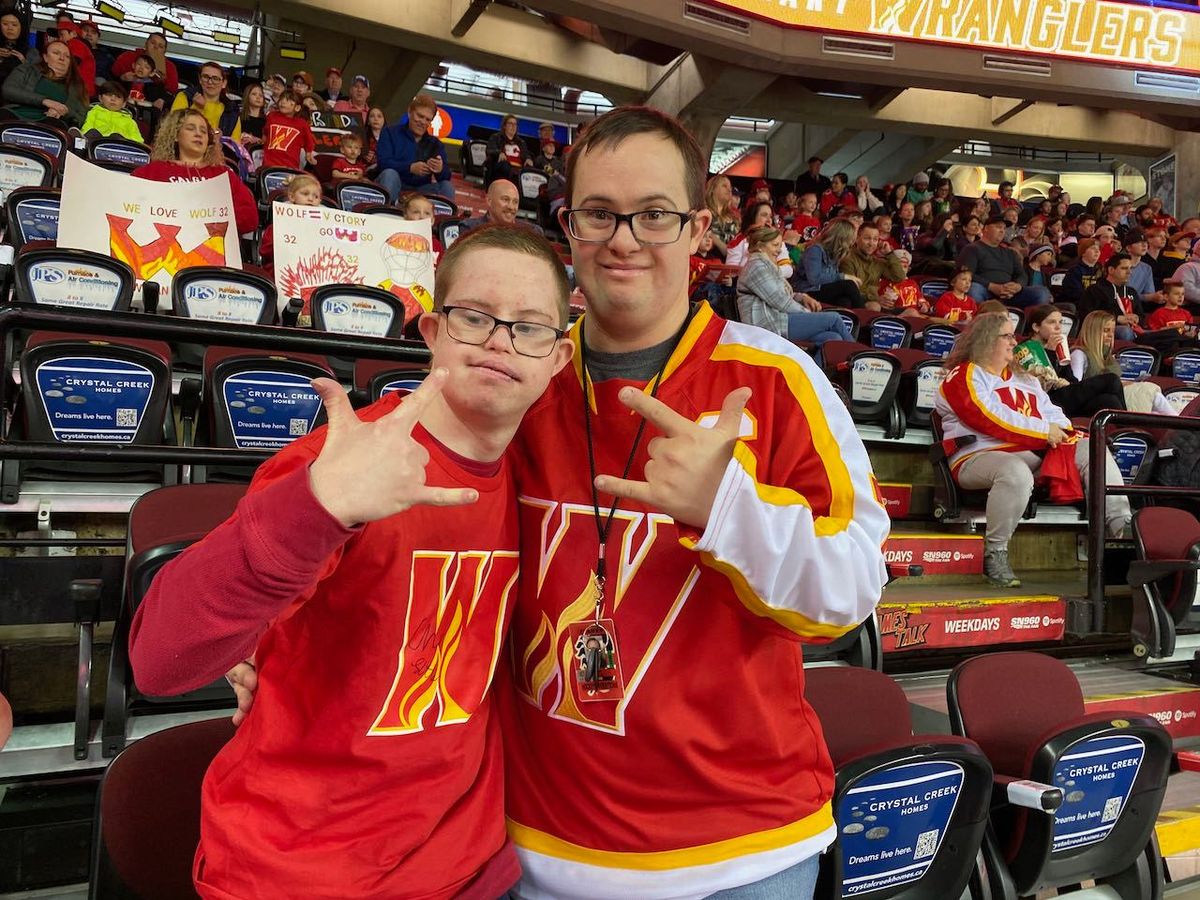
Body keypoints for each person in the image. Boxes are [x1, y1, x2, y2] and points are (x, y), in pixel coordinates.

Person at [226, 104, 890, 900]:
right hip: (533, 845)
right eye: (600, 214)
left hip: (741, 851)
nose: (624, 239)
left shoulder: (778, 383)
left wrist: (729, 510)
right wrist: (278, 642)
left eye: (654, 215)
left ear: (699, 230)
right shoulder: (518, 377)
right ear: (569, 225)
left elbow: (849, 595)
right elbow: (402, 535)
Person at [129, 227, 575, 900]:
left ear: (559, 359)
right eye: (475, 317)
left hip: (472, 868)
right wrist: (318, 508)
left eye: (530, 327)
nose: (500, 341)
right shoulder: (337, 467)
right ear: (432, 330)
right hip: (297, 872)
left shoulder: (541, 479)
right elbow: (161, 662)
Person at [936, 312, 1131, 588]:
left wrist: (1062, 431)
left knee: (1092, 448)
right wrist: (1042, 432)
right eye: (1006, 335)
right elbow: (987, 416)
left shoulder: (1024, 378)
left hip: (1032, 453)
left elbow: (1052, 411)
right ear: (986, 339)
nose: (1013, 341)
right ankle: (995, 553)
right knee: (1015, 472)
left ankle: (1123, 533)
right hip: (976, 456)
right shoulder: (965, 373)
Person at [133, 108, 257, 236]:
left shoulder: (223, 175)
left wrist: (210, 224)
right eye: (190, 128)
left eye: (204, 131)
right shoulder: (154, 171)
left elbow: (249, 217)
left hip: (212, 247)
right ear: (175, 135)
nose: (198, 134)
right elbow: (130, 205)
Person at [735, 224, 852, 358]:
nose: (779, 251)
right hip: (768, 325)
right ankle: (859, 357)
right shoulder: (756, 266)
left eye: (780, 246)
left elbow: (782, 294)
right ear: (760, 245)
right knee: (833, 319)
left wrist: (802, 297)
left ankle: (812, 377)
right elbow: (781, 301)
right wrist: (809, 315)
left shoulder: (767, 265)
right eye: (775, 245)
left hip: (779, 319)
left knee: (832, 337)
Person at [1014, 305, 1125, 418]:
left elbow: (1072, 380)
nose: (1058, 327)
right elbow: (1041, 385)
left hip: (1066, 397)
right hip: (1048, 400)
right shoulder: (1024, 350)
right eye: (1052, 322)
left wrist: (1065, 370)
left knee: (1109, 401)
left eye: (1060, 322)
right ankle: (1132, 421)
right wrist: (1050, 352)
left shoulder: (1059, 347)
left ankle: (1127, 431)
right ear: (1036, 327)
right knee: (1112, 379)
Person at [1072, 310, 1177, 415]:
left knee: (1156, 413)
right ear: (1092, 332)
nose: (1110, 335)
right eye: (1106, 330)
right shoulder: (1079, 354)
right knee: (1149, 390)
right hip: (1097, 401)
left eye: (1112, 331)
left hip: (1116, 395)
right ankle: (1182, 423)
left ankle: (1180, 423)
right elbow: (1076, 390)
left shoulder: (1107, 356)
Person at [375, 93, 454, 203]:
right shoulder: (389, 132)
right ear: (410, 112)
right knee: (390, 174)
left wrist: (440, 169)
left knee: (446, 186)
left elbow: (446, 176)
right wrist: (410, 168)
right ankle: (386, 212)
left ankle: (442, 219)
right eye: (420, 116)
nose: (423, 122)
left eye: (427, 119)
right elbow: (383, 163)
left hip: (420, 191)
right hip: (393, 183)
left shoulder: (435, 144)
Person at [957, 216, 1051, 308]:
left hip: (1009, 294)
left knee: (1042, 292)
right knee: (974, 288)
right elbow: (966, 274)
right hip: (985, 290)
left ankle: (1032, 323)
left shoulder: (1010, 252)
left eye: (1004, 228)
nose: (1002, 231)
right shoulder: (972, 248)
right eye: (998, 227)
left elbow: (1022, 274)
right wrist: (992, 286)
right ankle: (981, 320)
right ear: (985, 228)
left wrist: (1017, 286)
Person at [1, 39, 86, 125]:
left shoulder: (76, 86)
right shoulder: (27, 69)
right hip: (16, 117)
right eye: (56, 53)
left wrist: (64, 111)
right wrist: (44, 101)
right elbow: (8, 90)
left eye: (67, 56)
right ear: (45, 57)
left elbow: (81, 118)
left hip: (52, 126)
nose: (62, 58)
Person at [798, 217, 868, 308]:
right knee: (849, 285)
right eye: (851, 238)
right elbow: (814, 279)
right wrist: (843, 277)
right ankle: (864, 317)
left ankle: (851, 320)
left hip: (822, 289)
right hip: (807, 291)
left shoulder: (833, 253)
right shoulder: (815, 250)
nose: (852, 242)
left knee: (844, 301)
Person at [839, 220, 905, 310]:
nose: (871, 243)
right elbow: (850, 290)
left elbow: (899, 277)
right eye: (867, 238)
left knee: (912, 312)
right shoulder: (848, 259)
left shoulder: (877, 262)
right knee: (875, 307)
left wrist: (889, 254)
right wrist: (877, 299)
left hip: (878, 303)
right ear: (857, 238)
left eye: (875, 239)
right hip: (858, 303)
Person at [170, 60, 241, 139]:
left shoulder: (231, 110)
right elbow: (173, 126)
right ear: (200, 79)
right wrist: (197, 108)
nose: (210, 82)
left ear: (224, 83)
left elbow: (235, 144)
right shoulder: (185, 96)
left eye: (215, 78)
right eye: (206, 77)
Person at [1081, 253, 1143, 341]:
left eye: (1130, 268)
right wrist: (1117, 318)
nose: (1129, 272)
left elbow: (1142, 316)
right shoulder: (1095, 290)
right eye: (1124, 268)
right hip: (1106, 330)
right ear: (1111, 270)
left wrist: (1137, 318)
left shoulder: (1131, 291)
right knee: (1125, 331)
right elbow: (1089, 316)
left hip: (1135, 329)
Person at [725, 200, 791, 277]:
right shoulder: (739, 240)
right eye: (764, 215)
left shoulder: (777, 239)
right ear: (753, 217)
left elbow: (788, 270)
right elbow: (730, 272)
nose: (768, 220)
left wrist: (766, 274)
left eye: (770, 216)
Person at [459, 179, 543, 236]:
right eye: (505, 199)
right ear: (489, 200)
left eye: (515, 202)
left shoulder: (533, 232)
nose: (511, 207)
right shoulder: (470, 229)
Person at [261, 88, 314, 171]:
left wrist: (308, 154)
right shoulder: (271, 116)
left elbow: (309, 142)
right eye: (282, 98)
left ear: (297, 108)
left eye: (288, 100)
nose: (283, 102)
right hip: (268, 164)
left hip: (290, 167)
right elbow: (265, 134)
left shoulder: (302, 124)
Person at [112, 32, 178, 94]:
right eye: (153, 43)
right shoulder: (129, 56)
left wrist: (163, 80)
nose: (156, 47)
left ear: (164, 51)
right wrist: (122, 78)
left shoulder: (169, 67)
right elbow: (112, 74)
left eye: (160, 46)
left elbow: (173, 90)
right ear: (146, 44)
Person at [54, 15, 94, 98]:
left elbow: (72, 63)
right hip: (80, 90)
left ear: (73, 33)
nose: (60, 39)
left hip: (79, 91)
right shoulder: (79, 44)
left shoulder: (75, 43)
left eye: (62, 35)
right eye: (59, 35)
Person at [485, 113, 530, 186]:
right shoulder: (496, 137)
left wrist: (528, 159)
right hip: (503, 166)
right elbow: (490, 149)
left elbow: (526, 154)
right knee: (505, 166)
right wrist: (499, 153)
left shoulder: (521, 142)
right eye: (510, 124)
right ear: (504, 126)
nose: (513, 126)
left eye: (515, 124)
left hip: (518, 168)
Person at [1122, 229, 1164, 305]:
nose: (1144, 245)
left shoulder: (1147, 268)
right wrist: (1149, 297)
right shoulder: (1120, 266)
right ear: (1128, 248)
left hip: (1137, 306)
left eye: (1145, 242)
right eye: (1138, 242)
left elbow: (1150, 293)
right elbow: (1121, 294)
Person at [704, 174, 738, 258]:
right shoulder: (704, 213)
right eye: (724, 186)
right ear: (712, 189)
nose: (729, 189)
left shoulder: (734, 217)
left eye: (730, 187)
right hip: (710, 260)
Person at [1061, 238, 1102, 304]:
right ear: (1083, 253)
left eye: (1099, 249)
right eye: (1093, 248)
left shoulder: (1101, 270)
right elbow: (1074, 293)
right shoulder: (1074, 270)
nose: (1097, 251)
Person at [0, 10, 35, 86]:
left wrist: (24, 62)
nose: (10, 28)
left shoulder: (31, 52)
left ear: (22, 27)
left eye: (14, 25)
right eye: (5, 24)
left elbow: (33, 80)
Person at [362, 105, 385, 171]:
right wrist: (362, 154)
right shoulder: (362, 138)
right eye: (372, 116)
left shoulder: (391, 139)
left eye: (379, 116)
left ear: (384, 120)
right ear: (368, 121)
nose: (376, 119)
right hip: (366, 171)